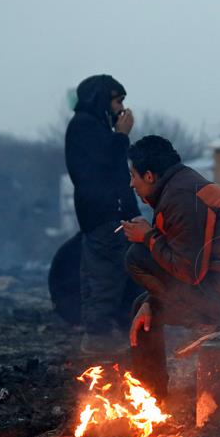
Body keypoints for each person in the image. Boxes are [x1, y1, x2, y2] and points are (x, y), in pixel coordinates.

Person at [121, 135, 220, 399]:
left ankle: (214, 323)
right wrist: (151, 301)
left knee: (136, 256)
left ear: (150, 176)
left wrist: (147, 236)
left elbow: (188, 271)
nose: (131, 184)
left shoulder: (181, 196)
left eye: (134, 176)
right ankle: (150, 400)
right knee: (142, 311)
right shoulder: (180, 187)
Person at [65, 74, 140, 351]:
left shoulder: (93, 127)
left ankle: (111, 334)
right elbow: (106, 167)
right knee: (105, 276)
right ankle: (99, 339)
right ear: (102, 99)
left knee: (115, 273)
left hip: (107, 213)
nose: (121, 108)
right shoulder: (85, 127)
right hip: (101, 214)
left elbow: (119, 175)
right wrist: (121, 136)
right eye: (117, 100)